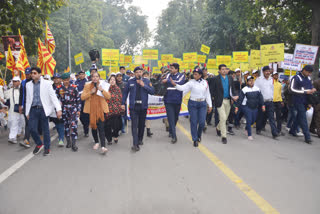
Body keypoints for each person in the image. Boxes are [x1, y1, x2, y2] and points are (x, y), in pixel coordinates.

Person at [171, 68, 212, 147]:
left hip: (202, 104)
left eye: (196, 74)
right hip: (193, 103)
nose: (194, 75)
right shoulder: (191, 82)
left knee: (202, 122)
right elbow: (182, 88)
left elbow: (208, 94)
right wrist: (175, 85)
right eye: (194, 74)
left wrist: (210, 105)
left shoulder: (205, 82)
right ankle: (195, 139)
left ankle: (199, 135)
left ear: (200, 75)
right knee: (193, 121)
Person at [25, 67, 62, 156]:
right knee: (31, 128)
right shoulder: (28, 84)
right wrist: (27, 112)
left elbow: (53, 97)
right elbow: (28, 99)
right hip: (33, 109)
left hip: (43, 109)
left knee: (45, 130)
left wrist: (58, 109)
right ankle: (39, 143)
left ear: (39, 74)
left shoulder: (47, 83)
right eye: (31, 73)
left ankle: (47, 148)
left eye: (34, 73)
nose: (32, 75)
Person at [121, 66, 155, 152]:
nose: (138, 73)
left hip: (143, 106)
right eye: (137, 72)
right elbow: (125, 93)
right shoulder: (130, 82)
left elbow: (152, 91)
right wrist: (123, 103)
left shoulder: (146, 81)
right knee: (134, 125)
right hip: (133, 107)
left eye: (140, 72)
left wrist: (144, 86)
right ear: (134, 73)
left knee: (141, 125)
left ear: (142, 73)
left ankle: (140, 139)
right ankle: (135, 144)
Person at [81, 72, 111, 154]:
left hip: (101, 110)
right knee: (93, 127)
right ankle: (96, 142)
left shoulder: (103, 85)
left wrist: (101, 90)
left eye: (96, 76)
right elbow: (82, 97)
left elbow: (108, 96)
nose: (95, 78)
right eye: (93, 76)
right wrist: (91, 92)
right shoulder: (87, 86)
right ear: (91, 78)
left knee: (101, 128)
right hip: (91, 110)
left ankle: (103, 146)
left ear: (99, 77)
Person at [211, 64, 238, 144]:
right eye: (222, 69)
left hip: (228, 100)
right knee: (222, 117)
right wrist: (213, 100)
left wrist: (233, 97)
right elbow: (212, 90)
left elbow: (232, 89)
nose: (224, 70)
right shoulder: (215, 79)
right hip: (219, 101)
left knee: (225, 118)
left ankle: (218, 128)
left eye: (225, 69)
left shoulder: (230, 78)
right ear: (219, 70)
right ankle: (224, 136)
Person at [289, 65, 316, 144]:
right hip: (297, 100)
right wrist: (304, 92)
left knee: (299, 117)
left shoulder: (308, 78)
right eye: (308, 72)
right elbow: (292, 89)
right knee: (303, 118)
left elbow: (310, 86)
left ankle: (292, 130)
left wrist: (312, 89)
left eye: (310, 73)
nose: (309, 74)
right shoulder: (296, 78)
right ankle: (307, 137)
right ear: (304, 70)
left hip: (306, 100)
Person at [56, 73, 81, 151]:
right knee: (66, 126)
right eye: (64, 80)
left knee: (73, 126)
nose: (66, 81)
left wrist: (78, 110)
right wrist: (58, 110)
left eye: (67, 79)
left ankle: (74, 143)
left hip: (73, 108)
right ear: (62, 80)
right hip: (64, 108)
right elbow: (56, 100)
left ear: (69, 79)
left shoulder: (74, 88)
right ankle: (68, 141)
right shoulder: (59, 88)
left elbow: (78, 100)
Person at [236, 76, 264, 140]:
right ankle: (249, 135)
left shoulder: (257, 89)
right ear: (247, 82)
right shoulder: (244, 89)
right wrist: (237, 107)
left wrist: (263, 105)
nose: (251, 82)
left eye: (252, 80)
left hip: (255, 107)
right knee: (249, 120)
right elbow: (240, 99)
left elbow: (261, 98)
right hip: (246, 107)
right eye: (249, 81)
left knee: (253, 120)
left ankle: (246, 128)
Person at [163, 63, 185, 143]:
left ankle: (171, 130)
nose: (170, 69)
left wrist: (168, 81)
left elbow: (179, 82)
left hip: (177, 100)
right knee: (171, 117)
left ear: (176, 69)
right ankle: (174, 136)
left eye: (172, 68)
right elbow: (164, 81)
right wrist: (166, 80)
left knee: (176, 117)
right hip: (168, 100)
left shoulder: (181, 75)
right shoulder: (168, 75)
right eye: (170, 68)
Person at [254, 66, 279, 139]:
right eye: (266, 71)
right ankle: (258, 129)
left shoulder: (272, 79)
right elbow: (256, 90)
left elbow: (272, 89)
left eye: (269, 71)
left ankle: (274, 133)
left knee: (271, 118)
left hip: (270, 101)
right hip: (262, 102)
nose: (268, 72)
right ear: (263, 72)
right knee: (260, 116)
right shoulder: (259, 80)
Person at [5, 76, 24, 144]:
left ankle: (26, 137)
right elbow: (5, 97)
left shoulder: (23, 89)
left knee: (24, 123)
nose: (14, 83)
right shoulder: (10, 90)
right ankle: (12, 137)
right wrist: (5, 89)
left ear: (19, 82)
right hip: (14, 110)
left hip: (23, 109)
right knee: (14, 123)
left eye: (16, 81)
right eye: (13, 81)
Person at [104, 75, 123, 145]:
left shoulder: (118, 89)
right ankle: (109, 139)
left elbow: (120, 99)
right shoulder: (105, 89)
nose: (112, 81)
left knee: (117, 125)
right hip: (107, 110)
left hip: (116, 110)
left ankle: (115, 135)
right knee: (107, 126)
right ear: (109, 81)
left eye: (114, 80)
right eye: (111, 80)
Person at [50, 73, 65, 147]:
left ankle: (61, 138)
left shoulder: (63, 87)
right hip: (50, 109)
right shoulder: (50, 87)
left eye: (57, 78)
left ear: (60, 79)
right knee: (56, 123)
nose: (56, 79)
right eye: (54, 78)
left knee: (60, 123)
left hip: (60, 108)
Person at [18, 67, 32, 148]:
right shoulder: (23, 82)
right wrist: (20, 105)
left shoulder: (35, 82)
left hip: (34, 105)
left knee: (33, 123)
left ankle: (39, 136)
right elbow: (21, 95)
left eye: (28, 74)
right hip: (26, 105)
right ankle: (26, 139)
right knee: (28, 122)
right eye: (26, 74)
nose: (27, 75)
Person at [75, 70, 89, 137]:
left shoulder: (87, 82)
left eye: (82, 74)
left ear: (84, 75)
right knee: (81, 117)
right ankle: (84, 125)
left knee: (86, 117)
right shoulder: (76, 82)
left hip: (86, 102)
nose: (81, 75)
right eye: (80, 74)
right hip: (78, 102)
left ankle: (86, 131)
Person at [272, 71, 285, 135]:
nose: (276, 76)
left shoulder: (280, 84)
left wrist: (281, 101)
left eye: (277, 75)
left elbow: (280, 93)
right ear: (272, 76)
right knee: (270, 116)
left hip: (278, 102)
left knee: (278, 117)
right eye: (274, 75)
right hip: (271, 101)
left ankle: (278, 130)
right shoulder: (271, 83)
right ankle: (262, 126)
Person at [143, 71, 154, 137]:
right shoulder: (140, 82)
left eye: (147, 75)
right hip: (142, 102)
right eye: (145, 75)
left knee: (148, 117)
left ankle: (148, 130)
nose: (146, 77)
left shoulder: (149, 82)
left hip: (148, 102)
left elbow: (152, 90)